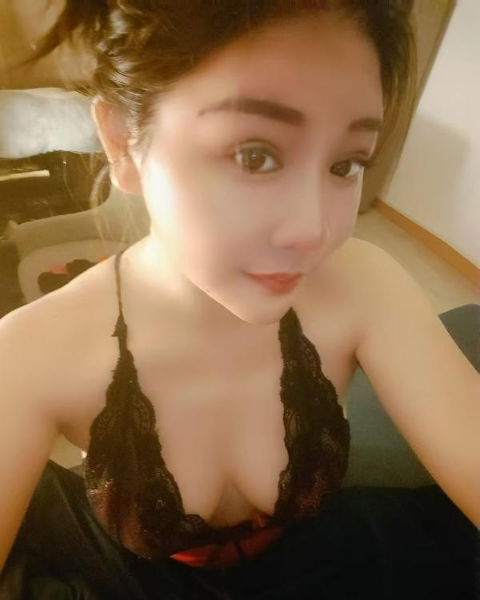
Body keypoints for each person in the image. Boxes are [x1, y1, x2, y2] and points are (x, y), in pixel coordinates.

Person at [0, 1, 479, 598]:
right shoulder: (30, 354)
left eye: (345, 164)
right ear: (122, 142)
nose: (314, 231)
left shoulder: (362, 285)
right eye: (256, 155)